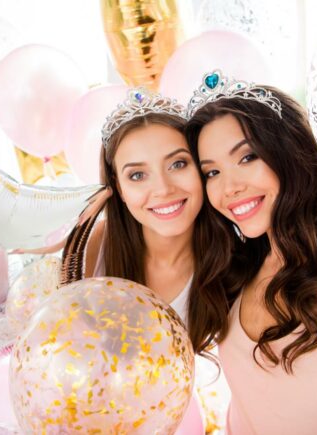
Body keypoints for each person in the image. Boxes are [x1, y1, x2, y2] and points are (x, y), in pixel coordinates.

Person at [185, 70, 317, 435]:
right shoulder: (237, 269)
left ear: (290, 156)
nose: (229, 187)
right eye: (211, 172)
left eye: (247, 158)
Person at [61, 86, 235, 359]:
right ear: (118, 187)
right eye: (138, 175)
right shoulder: (93, 248)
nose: (163, 189)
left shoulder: (234, 262)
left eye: (177, 164)